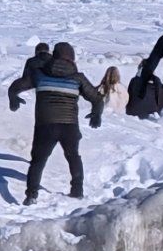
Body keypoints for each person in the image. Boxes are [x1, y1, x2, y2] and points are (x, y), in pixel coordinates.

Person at [8, 41, 104, 205]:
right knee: (73, 157)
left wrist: (13, 97)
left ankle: (31, 195)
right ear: (72, 59)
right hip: (69, 126)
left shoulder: (39, 74)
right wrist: (96, 114)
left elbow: (16, 86)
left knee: (38, 161)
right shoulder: (78, 78)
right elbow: (97, 98)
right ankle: (77, 191)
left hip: (45, 125)